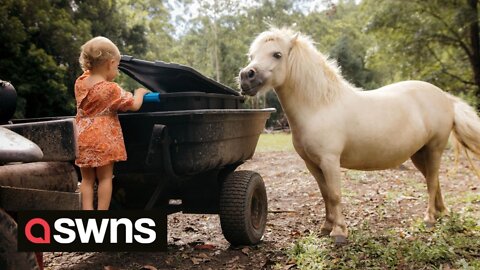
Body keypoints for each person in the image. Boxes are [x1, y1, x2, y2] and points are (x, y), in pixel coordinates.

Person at [74, 36, 150, 210]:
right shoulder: (111, 89)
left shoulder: (80, 83)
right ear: (110, 63)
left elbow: (90, 74)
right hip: (103, 139)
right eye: (117, 66)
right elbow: (134, 105)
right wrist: (140, 92)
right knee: (105, 178)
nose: (116, 70)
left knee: (86, 180)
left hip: (82, 136)